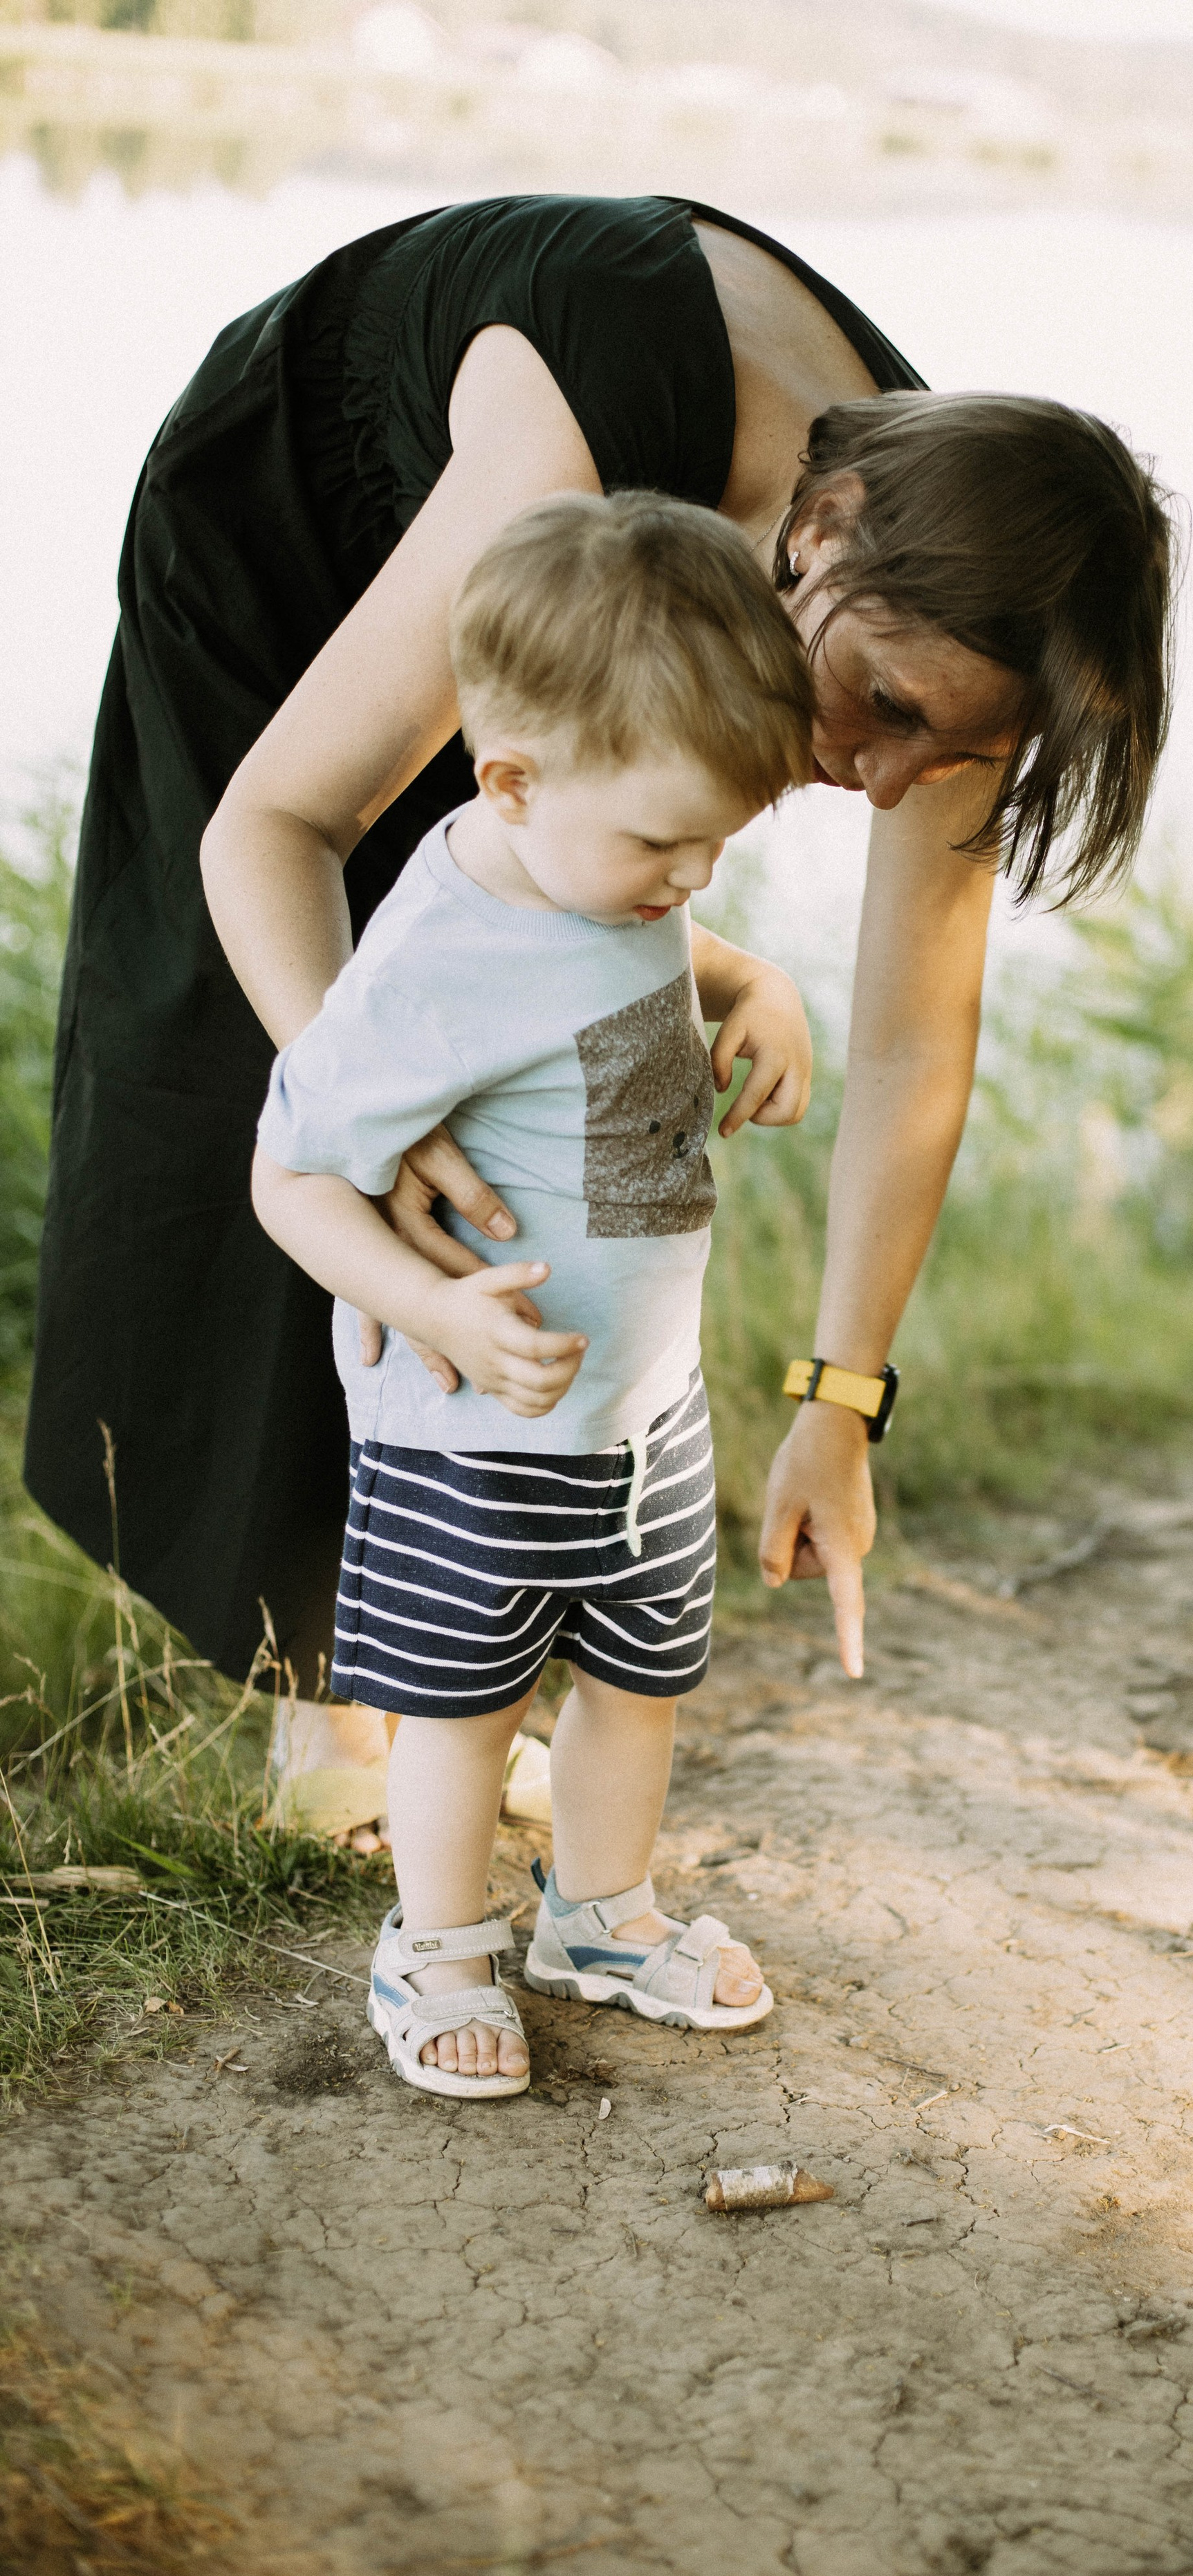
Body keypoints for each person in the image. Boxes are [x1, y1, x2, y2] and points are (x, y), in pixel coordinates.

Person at [25, 195, 1174, 1783]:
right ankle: (337, 1709)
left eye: (953, 753)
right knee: (298, 1077)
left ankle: (476, 1644)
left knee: (558, 1065)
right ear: (820, 532)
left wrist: (838, 1408)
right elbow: (276, 827)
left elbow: (911, 1051)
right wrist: (357, 1097)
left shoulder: (986, 614)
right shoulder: (613, 433)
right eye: (883, 707)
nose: (882, 774)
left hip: (586, 621)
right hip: (302, 523)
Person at [254, 490, 807, 2094]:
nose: (688, 873)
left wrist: (749, 976)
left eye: (718, 844)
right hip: (471, 1432)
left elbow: (645, 937)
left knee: (640, 1680)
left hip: (643, 1408)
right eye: (664, 843)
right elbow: (286, 1175)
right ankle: (434, 1945)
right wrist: (426, 1310)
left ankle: (601, 1912)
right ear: (509, 779)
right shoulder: (436, 956)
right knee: (462, 1710)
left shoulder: (603, 870)